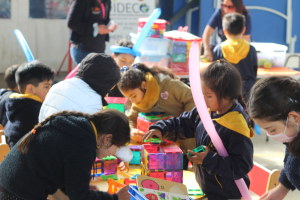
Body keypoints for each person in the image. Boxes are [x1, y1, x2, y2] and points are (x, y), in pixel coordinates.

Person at [143, 60, 254, 200]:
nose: (203, 100)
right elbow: (183, 123)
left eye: (208, 96)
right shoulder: (205, 110)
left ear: (226, 96)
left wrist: (208, 159)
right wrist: (161, 128)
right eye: (202, 94)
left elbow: (240, 167)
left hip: (226, 194)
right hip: (206, 188)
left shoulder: (236, 126)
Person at [0, 109, 131, 200]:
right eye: (117, 147)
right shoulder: (83, 145)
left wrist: (81, 187)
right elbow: (80, 197)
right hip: (17, 193)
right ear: (107, 139)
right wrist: (115, 198)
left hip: (8, 184)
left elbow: (67, 177)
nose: (114, 153)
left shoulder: (77, 127)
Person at [39, 53, 133, 170]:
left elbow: (41, 118)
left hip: (42, 151)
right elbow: (103, 137)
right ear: (104, 82)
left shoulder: (59, 85)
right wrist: (127, 156)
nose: (108, 92)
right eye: (109, 87)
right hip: (62, 162)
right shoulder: (92, 99)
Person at [118, 63, 196, 169]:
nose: (133, 101)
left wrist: (183, 122)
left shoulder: (168, 85)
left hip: (184, 141)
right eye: (129, 98)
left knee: (188, 170)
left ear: (144, 85)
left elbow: (192, 98)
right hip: (161, 147)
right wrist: (132, 131)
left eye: (133, 96)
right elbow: (131, 118)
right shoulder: (139, 102)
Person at [248, 76, 300, 200]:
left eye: (272, 130)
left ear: (294, 117)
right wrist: (282, 187)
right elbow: (292, 159)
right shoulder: (293, 132)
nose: (270, 135)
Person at [4, 61, 55, 149]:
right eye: (46, 87)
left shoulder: (15, 105)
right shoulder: (38, 113)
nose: (50, 90)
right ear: (30, 89)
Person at [213, 12, 257, 101]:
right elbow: (254, 72)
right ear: (244, 30)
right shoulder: (251, 49)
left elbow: (215, 73)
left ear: (224, 31)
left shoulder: (219, 49)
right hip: (247, 93)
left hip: (225, 92)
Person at [67, 0, 117, 65]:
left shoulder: (107, 1)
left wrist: (110, 26)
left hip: (99, 47)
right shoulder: (80, 1)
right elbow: (71, 23)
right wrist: (95, 29)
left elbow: (104, 20)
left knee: (100, 74)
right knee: (87, 74)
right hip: (83, 49)